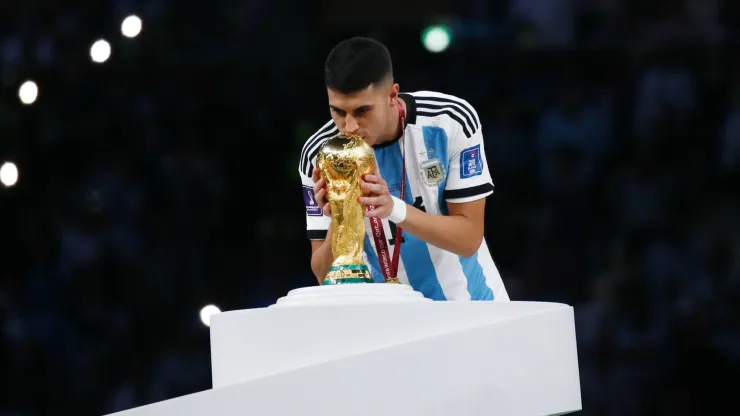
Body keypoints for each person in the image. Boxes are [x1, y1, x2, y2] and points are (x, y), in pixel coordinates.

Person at [298, 36, 509, 301]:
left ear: (392, 95)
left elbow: (469, 239)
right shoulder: (319, 153)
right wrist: (342, 216)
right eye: (338, 112)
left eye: (362, 111)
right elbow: (322, 275)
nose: (349, 127)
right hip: (390, 320)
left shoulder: (450, 120)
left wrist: (393, 208)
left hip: (469, 307)